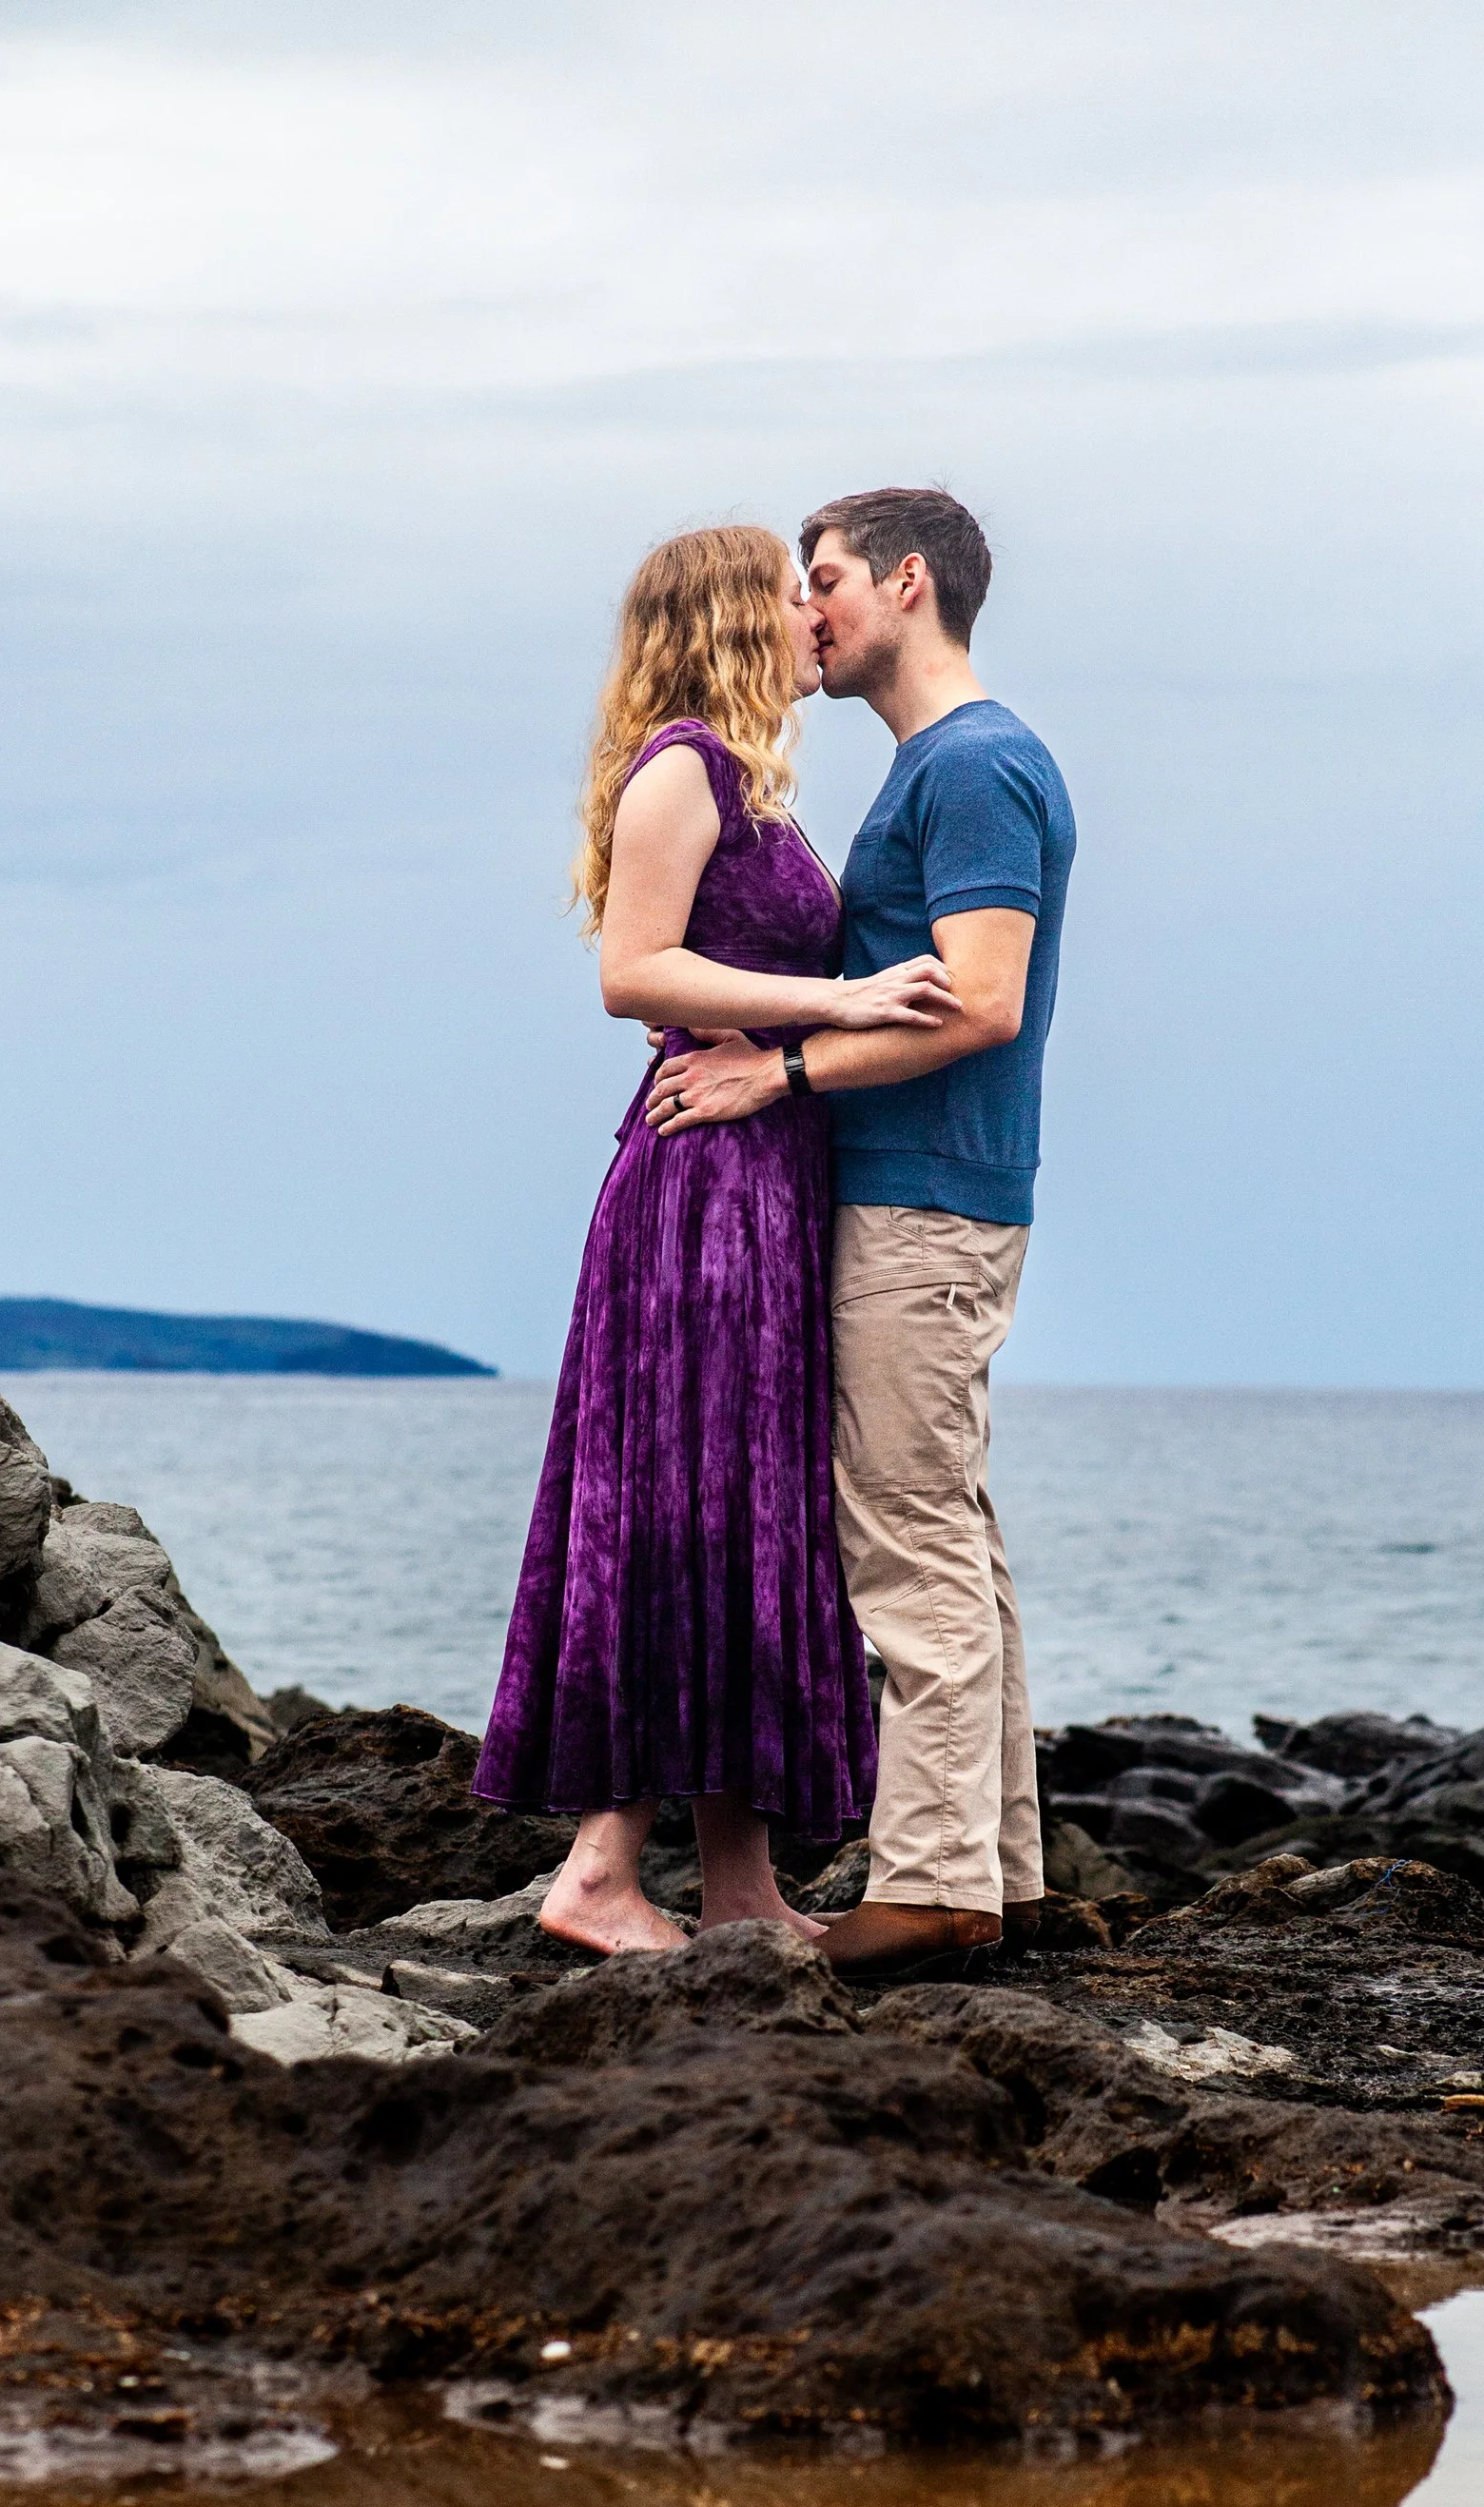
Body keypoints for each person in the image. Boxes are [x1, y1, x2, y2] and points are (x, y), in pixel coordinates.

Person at [472, 523, 962, 1956]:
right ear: (731, 618)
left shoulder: (745, 777)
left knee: (750, 1510)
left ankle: (741, 1887)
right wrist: (851, 1003)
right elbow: (635, 971)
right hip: (701, 1184)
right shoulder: (683, 764)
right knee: (676, 1504)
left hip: (762, 1176)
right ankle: (598, 1874)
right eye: (793, 594)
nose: (819, 616)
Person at [647, 489, 1077, 1979]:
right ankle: (1002, 1871)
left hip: (922, 1198)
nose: (804, 610)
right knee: (948, 1524)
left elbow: (982, 996)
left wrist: (782, 1068)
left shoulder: (971, 766)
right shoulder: (938, 767)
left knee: (902, 1539)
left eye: (821, 580)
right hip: (928, 1194)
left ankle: (938, 1879)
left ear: (906, 583)